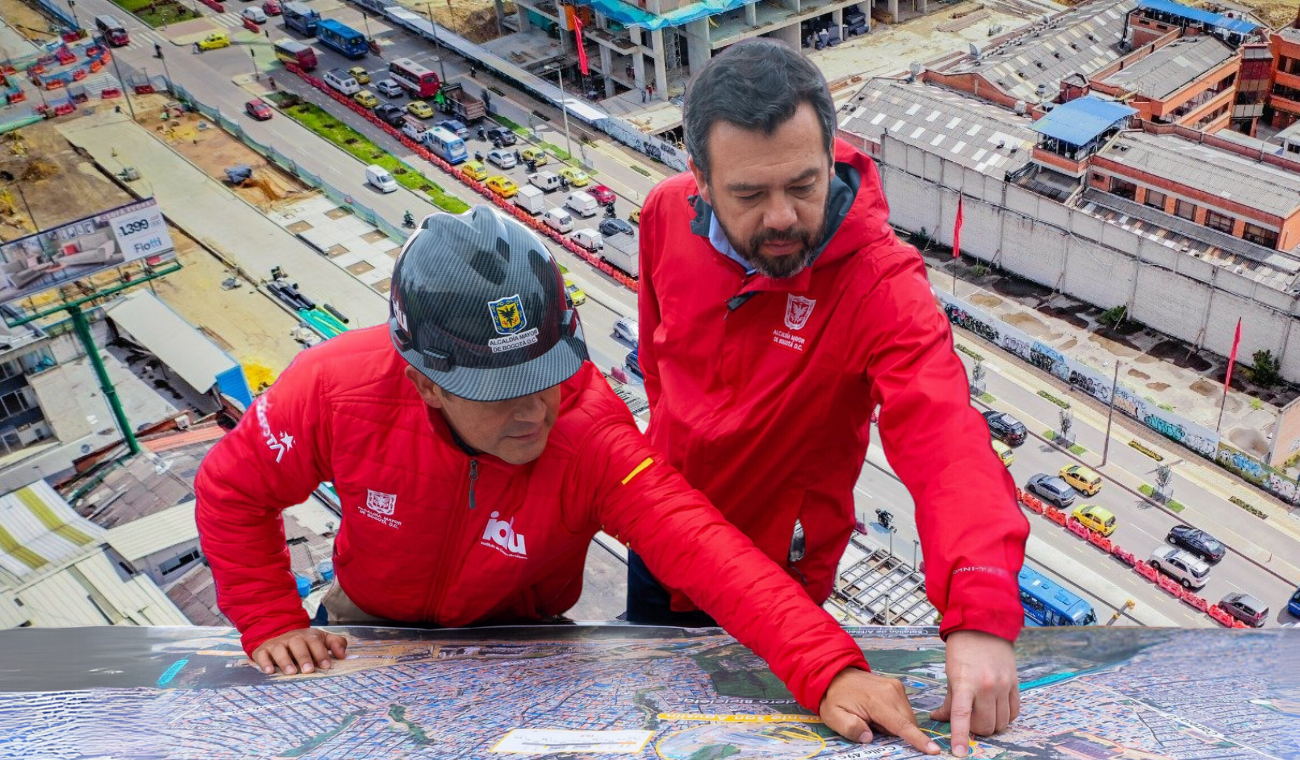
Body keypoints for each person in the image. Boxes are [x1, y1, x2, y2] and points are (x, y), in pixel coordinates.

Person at [196, 207, 944, 755]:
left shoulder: (589, 434)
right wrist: (270, 618)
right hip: (366, 625)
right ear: (425, 383)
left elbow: (707, 551)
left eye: (551, 374)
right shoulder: (334, 389)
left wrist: (827, 668)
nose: (536, 412)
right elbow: (233, 490)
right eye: (501, 391)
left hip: (525, 641)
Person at [633, 39, 1029, 759]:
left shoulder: (878, 283)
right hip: (663, 544)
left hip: (779, 575)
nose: (783, 217)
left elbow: (943, 434)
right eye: (750, 195)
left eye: (804, 185)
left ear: (830, 154)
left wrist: (978, 608)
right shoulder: (664, 215)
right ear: (699, 180)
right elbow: (657, 358)